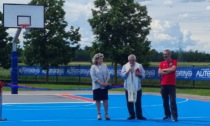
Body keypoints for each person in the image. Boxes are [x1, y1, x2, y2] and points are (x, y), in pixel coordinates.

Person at [121, 54, 146, 120]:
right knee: (130, 102)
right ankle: (132, 115)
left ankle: (139, 115)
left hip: (137, 87)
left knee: (138, 102)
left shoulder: (139, 66)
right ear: (128, 60)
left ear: (135, 60)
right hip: (128, 87)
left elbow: (144, 75)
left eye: (133, 60)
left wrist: (139, 74)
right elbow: (122, 76)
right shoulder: (125, 66)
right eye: (130, 60)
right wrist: (128, 71)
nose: (132, 62)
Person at [158, 49, 178, 122]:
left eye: (166, 54)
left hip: (171, 84)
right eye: (163, 55)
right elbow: (159, 72)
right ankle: (167, 115)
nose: (164, 56)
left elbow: (173, 69)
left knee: (172, 101)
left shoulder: (174, 61)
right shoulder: (161, 63)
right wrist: (168, 70)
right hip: (163, 84)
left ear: (169, 55)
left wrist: (164, 70)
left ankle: (174, 116)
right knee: (165, 101)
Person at [90, 53, 111, 120]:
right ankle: (99, 114)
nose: (101, 60)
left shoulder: (105, 65)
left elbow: (108, 74)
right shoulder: (93, 67)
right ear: (96, 59)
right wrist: (100, 82)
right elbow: (93, 76)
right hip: (97, 86)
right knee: (98, 100)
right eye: (100, 58)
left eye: (102, 58)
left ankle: (106, 113)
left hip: (104, 86)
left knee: (105, 100)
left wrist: (106, 82)